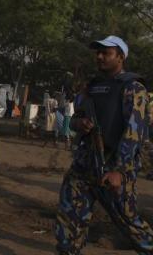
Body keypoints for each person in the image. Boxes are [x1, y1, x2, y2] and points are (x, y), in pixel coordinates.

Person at [55, 36, 153, 254]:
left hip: (113, 166)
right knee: (68, 217)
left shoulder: (133, 87)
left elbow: (133, 132)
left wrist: (119, 170)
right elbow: (73, 119)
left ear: (120, 57)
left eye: (106, 53)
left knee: (128, 221)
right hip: (84, 165)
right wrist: (80, 123)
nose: (99, 56)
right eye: (98, 52)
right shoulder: (91, 87)